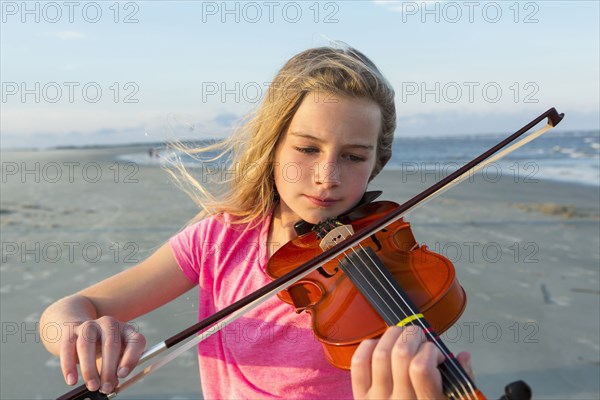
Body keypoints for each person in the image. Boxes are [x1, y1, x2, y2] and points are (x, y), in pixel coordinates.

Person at [40, 45, 473, 399]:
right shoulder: (218, 240)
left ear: (377, 162)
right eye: (307, 149)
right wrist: (82, 334)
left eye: (354, 156)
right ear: (273, 146)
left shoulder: (389, 269)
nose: (328, 177)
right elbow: (69, 310)